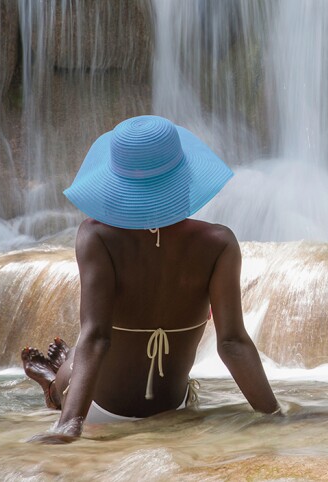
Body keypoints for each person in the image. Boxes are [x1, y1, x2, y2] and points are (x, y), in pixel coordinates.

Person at [21, 115, 279, 444]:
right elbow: (231, 343)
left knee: (83, 349)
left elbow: (97, 337)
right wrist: (274, 415)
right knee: (84, 351)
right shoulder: (220, 244)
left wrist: (69, 425)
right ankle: (60, 374)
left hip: (100, 410)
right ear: (185, 179)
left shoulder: (95, 236)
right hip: (175, 408)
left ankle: (56, 386)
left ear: (116, 188)